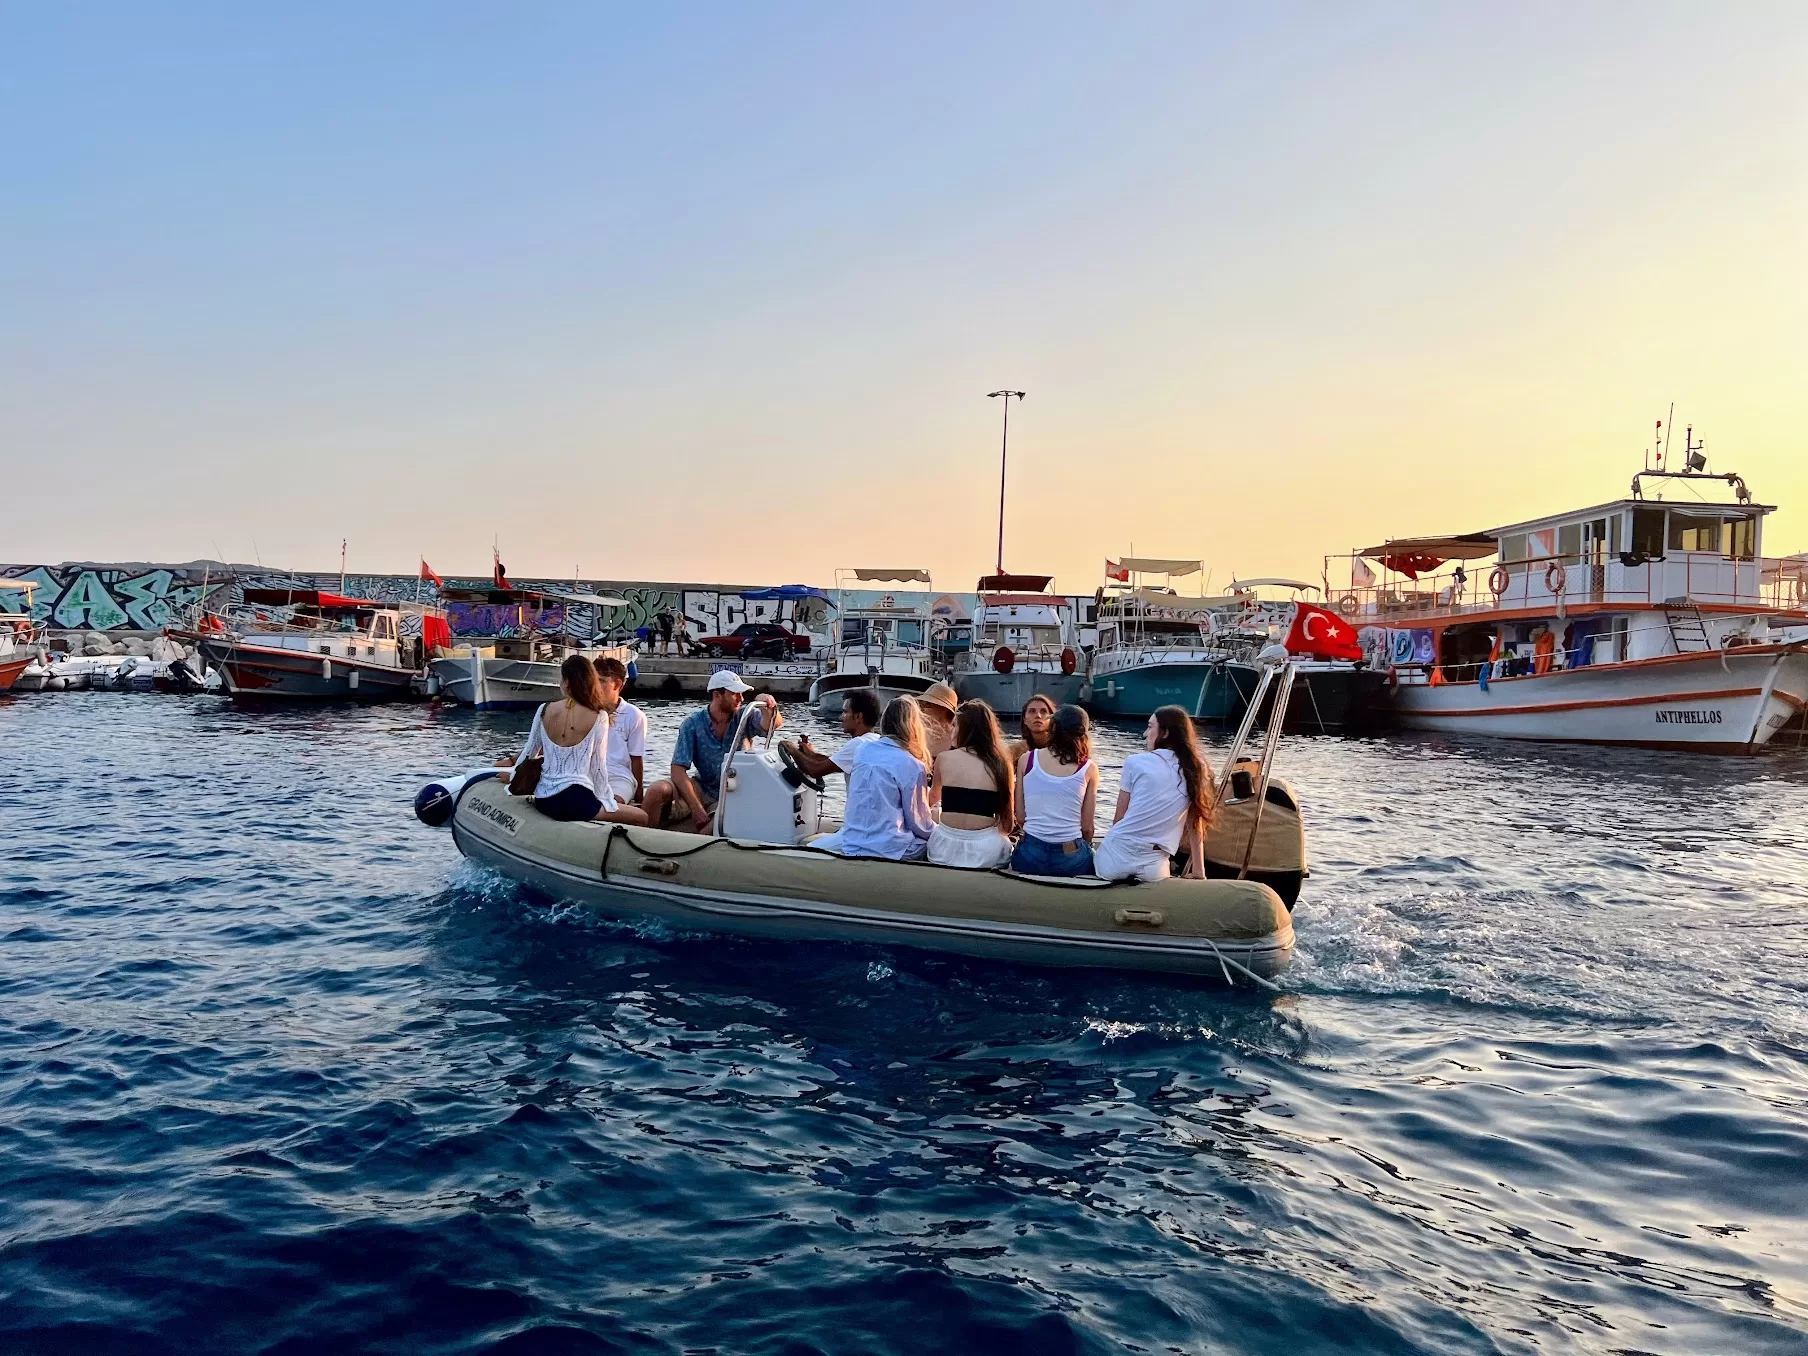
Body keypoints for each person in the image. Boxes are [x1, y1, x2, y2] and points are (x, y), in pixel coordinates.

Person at [504, 654, 649, 825]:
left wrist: (512, 784)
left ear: (566, 681)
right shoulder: (599, 716)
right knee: (642, 817)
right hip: (577, 802)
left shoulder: (544, 709)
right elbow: (598, 768)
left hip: (544, 799)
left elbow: (528, 754)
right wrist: (607, 801)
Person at [642, 671, 782, 832]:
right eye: (734, 694)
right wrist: (696, 808)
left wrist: (766, 705)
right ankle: (642, 837)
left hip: (734, 792)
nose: (741, 699)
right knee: (656, 791)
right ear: (717, 695)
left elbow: (773, 724)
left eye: (741, 694)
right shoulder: (692, 723)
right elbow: (678, 770)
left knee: (721, 820)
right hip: (702, 787)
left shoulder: (745, 716)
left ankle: (695, 844)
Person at [1094, 705, 1214, 882]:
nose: (1145, 733)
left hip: (1115, 859)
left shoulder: (1135, 762)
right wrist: (1199, 871)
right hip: (1153, 866)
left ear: (1164, 733)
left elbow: (1119, 818)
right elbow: (1195, 822)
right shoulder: (1196, 769)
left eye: (1150, 727)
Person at [812, 696, 934, 861]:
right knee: (934, 842)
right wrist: (941, 832)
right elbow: (919, 825)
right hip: (889, 850)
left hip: (852, 845)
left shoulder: (862, 750)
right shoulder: (912, 765)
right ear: (913, 727)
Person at [1010, 704, 1100, 877]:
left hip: (1029, 856)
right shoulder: (1089, 768)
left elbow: (1020, 816)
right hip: (1070, 858)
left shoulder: (1027, 759)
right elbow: (1087, 828)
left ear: (1053, 728)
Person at [927, 700, 1015, 868]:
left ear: (967, 728)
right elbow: (1007, 825)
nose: (951, 730)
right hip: (986, 852)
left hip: (943, 848)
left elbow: (931, 802)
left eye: (955, 725)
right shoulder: (1002, 764)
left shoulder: (944, 758)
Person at [779, 687, 882, 781]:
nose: (841, 717)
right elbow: (834, 762)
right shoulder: (876, 740)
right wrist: (811, 754)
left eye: (845, 712)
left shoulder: (858, 744)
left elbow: (815, 770)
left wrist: (791, 749)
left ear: (858, 717)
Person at [592, 654, 647, 804]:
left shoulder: (634, 715)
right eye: (593, 681)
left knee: (615, 801)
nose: (594, 686)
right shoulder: (586, 711)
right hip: (587, 773)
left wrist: (639, 790)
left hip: (619, 776)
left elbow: (636, 757)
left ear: (617, 685)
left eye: (601, 681)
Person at [1007, 692, 1058, 764]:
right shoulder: (1014, 752)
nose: (1038, 716)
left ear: (1052, 718)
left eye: (1043, 711)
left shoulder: (1062, 750)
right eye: (1032, 711)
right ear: (1024, 720)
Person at [918, 681, 960, 762]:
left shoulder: (957, 739)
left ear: (944, 709)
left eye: (928, 704)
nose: (922, 708)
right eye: (922, 704)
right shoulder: (917, 735)